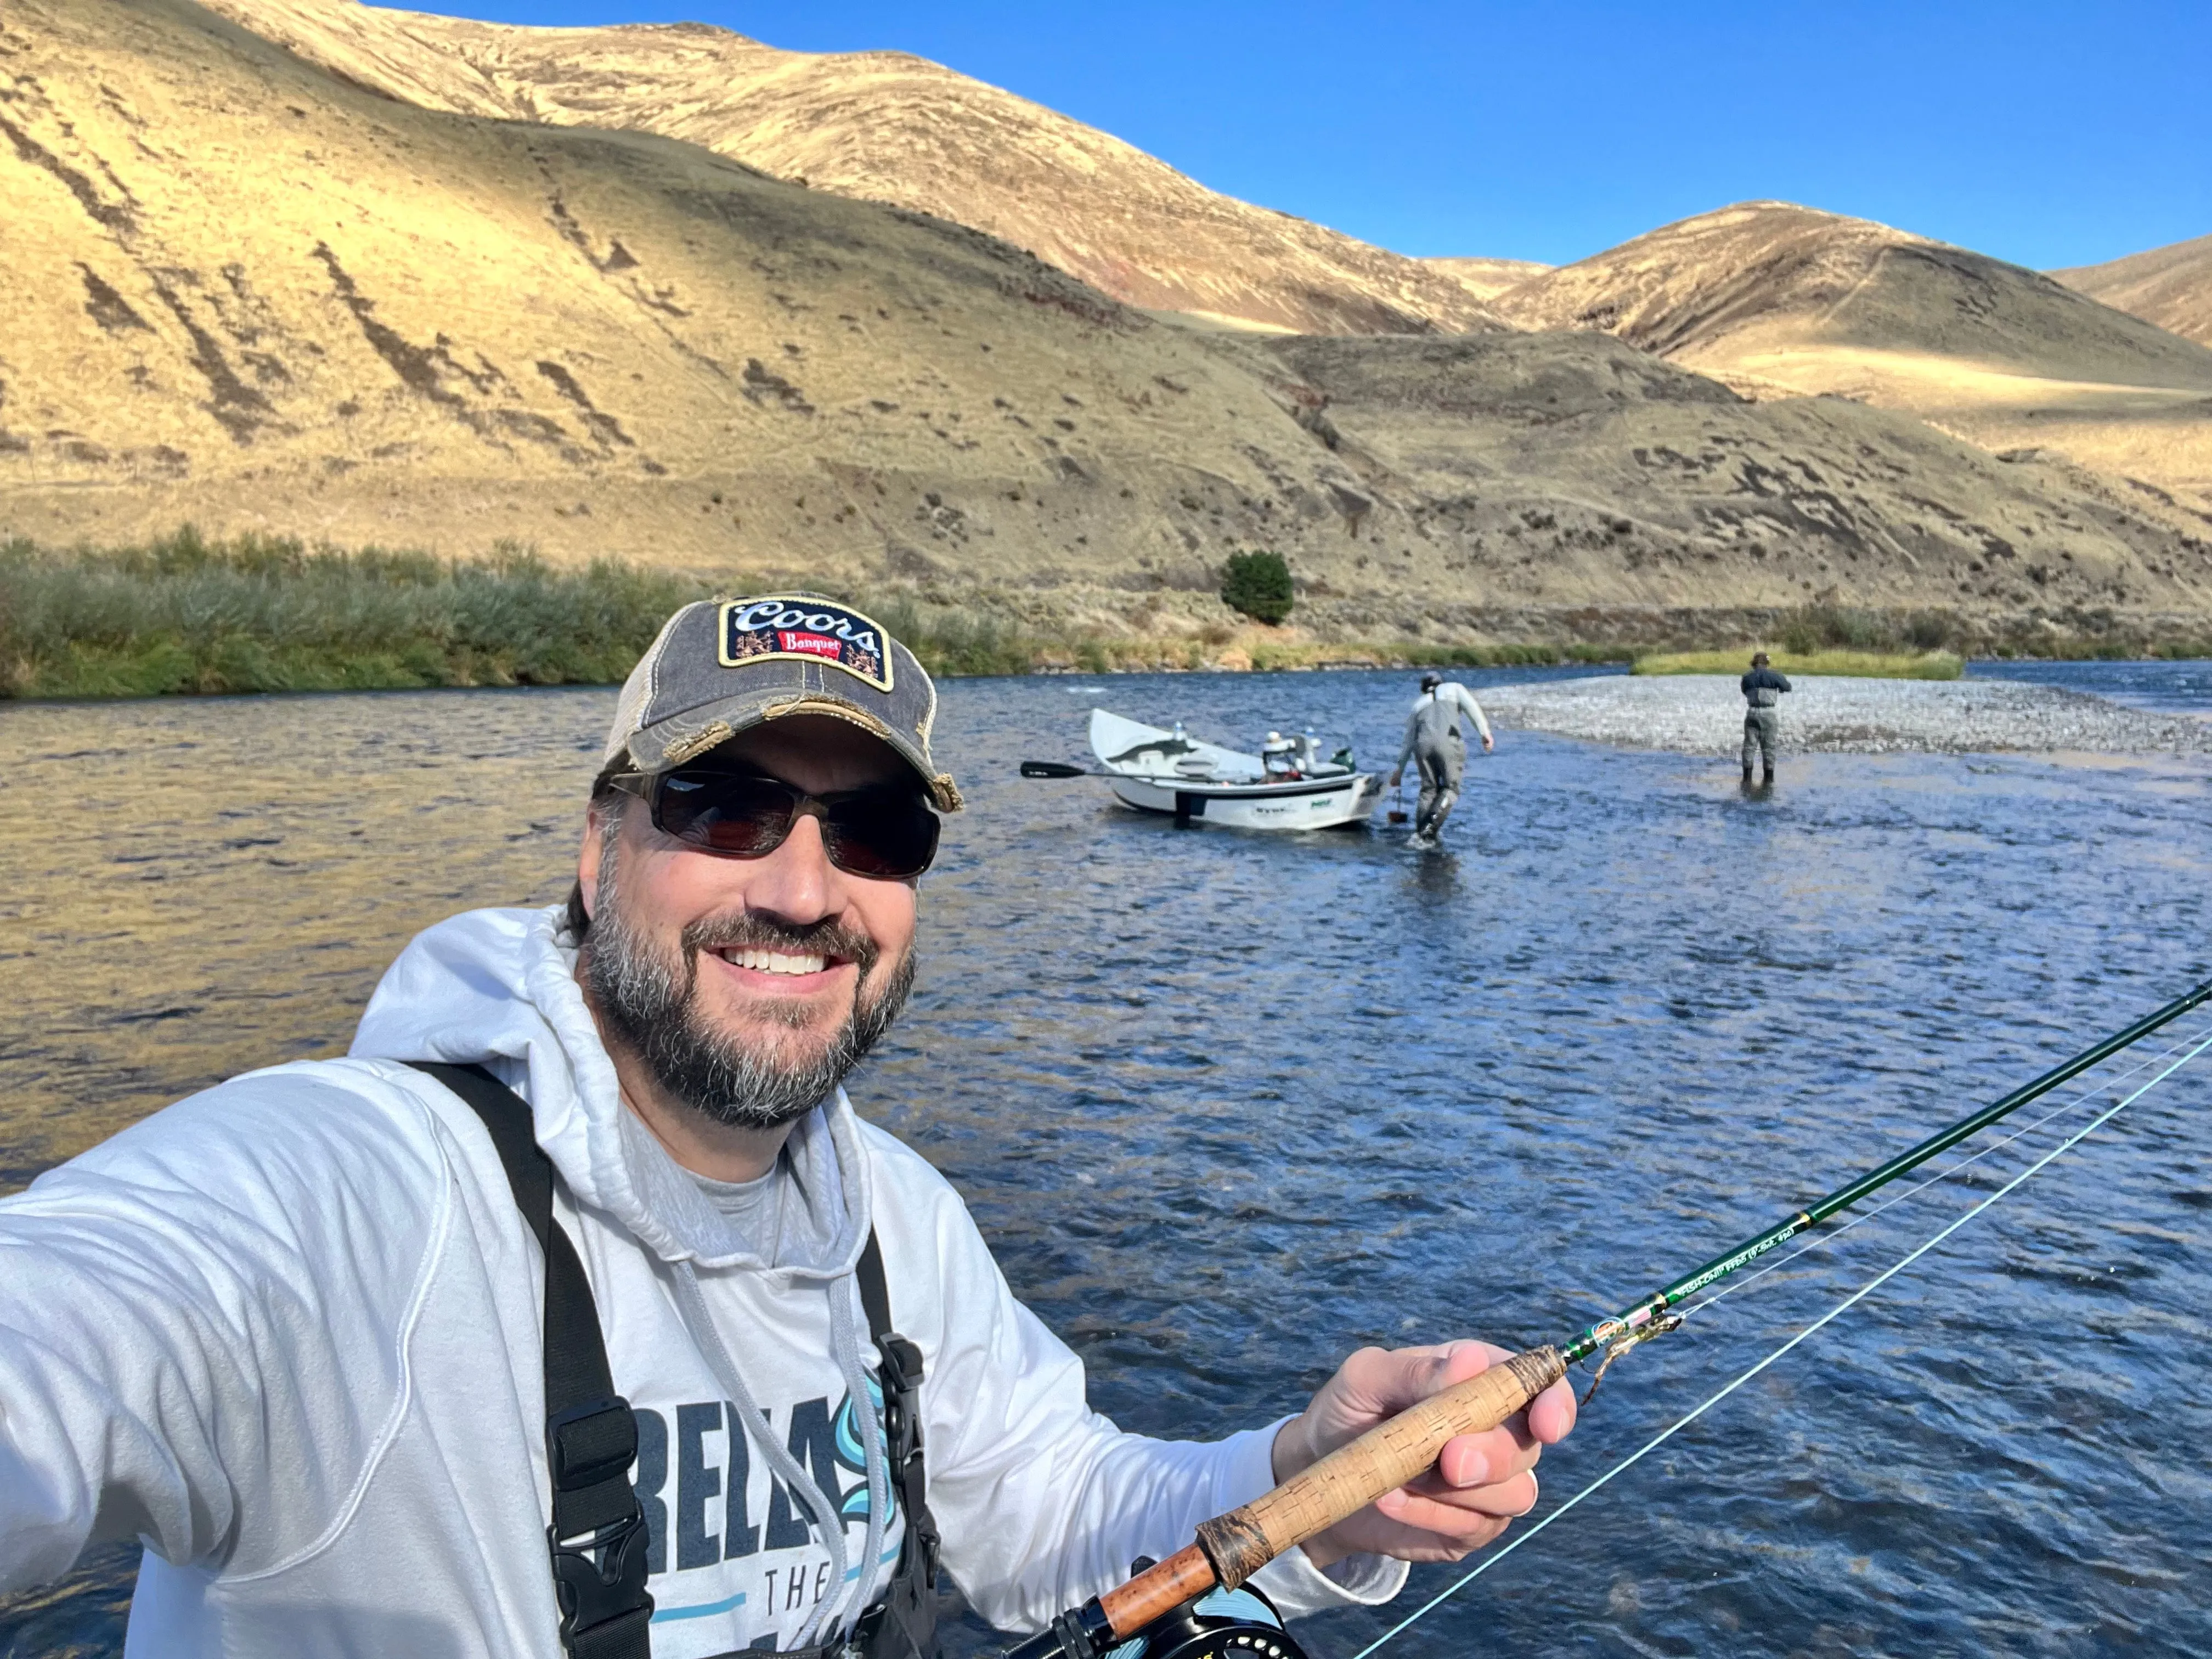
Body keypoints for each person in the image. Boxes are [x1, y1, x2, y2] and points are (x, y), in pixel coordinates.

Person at [0, 595, 1575, 1657]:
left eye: (873, 830)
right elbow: (67, 1338)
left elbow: (1057, 1513)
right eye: (728, 806)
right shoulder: (342, 1191)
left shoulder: (895, 1217)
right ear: (601, 847)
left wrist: (1316, 1471)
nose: (806, 891)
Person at [1387, 672, 1494, 850]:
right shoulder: (1455, 688)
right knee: (1451, 788)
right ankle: (1428, 832)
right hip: (1448, 743)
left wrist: (1399, 770)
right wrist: (1485, 733)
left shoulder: (1417, 706)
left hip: (1422, 747)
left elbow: (1408, 741)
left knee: (1429, 789)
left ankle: (1420, 835)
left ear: (1424, 689)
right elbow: (1472, 709)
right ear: (1440, 682)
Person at [1740, 651, 1793, 783]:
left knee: (1749, 746)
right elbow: (1787, 687)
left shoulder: (1747, 677)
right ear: (1767, 663)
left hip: (1752, 713)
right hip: (1769, 713)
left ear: (1754, 664)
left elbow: (1744, 691)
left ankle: (1747, 779)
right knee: (1769, 747)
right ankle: (1768, 780)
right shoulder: (1774, 675)